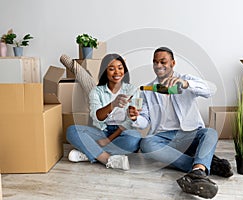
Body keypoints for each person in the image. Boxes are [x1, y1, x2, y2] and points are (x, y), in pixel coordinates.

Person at [128, 47, 222, 199]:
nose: (158, 65)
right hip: (164, 138)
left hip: (189, 135)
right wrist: (135, 118)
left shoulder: (185, 80)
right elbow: (144, 121)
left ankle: (200, 167)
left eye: (163, 61)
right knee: (146, 144)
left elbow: (211, 90)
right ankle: (200, 167)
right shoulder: (148, 90)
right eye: (155, 62)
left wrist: (186, 84)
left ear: (173, 63)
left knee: (210, 133)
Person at [66, 53, 142, 170]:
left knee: (135, 139)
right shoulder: (97, 92)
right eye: (111, 69)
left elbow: (128, 122)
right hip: (102, 131)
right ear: (104, 71)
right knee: (72, 131)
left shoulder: (131, 89)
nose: (117, 72)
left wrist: (108, 140)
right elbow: (97, 117)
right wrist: (113, 104)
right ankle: (107, 159)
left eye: (120, 68)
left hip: (122, 132)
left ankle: (88, 154)